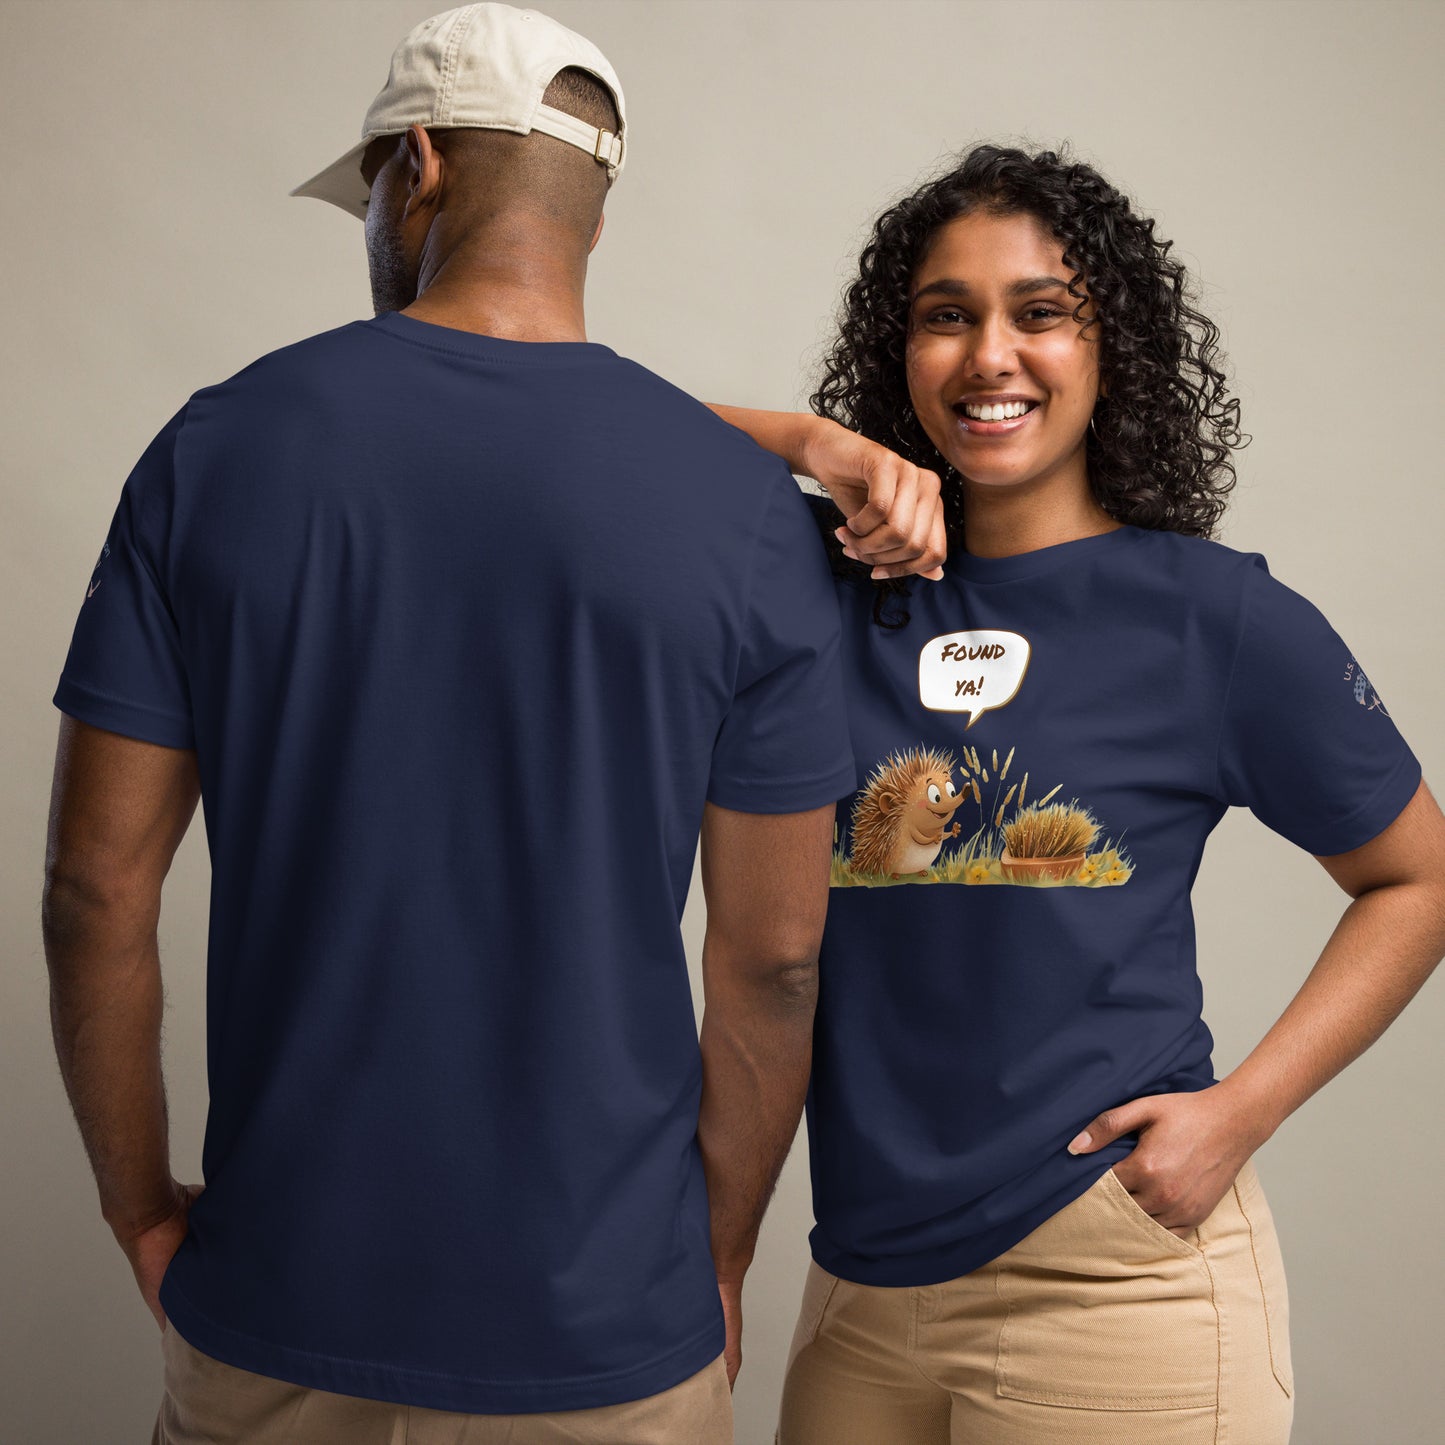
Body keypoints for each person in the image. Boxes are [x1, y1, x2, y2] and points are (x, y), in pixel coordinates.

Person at [41, 5, 855, 1442]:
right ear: (596, 209)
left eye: (365, 190)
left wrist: (139, 1210)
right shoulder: (743, 519)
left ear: (413, 169)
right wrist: (713, 1263)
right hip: (607, 1335)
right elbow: (773, 961)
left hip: (277, 1301)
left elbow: (93, 889)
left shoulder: (215, 451)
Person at [709, 143, 1445, 1443]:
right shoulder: (819, 591)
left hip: (1110, 1281)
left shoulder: (1212, 619)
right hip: (860, 1284)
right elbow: (591, 435)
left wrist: (1243, 1108)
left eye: (1039, 312)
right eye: (947, 316)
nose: (990, 354)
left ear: (1112, 349)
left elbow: (1418, 876)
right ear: (901, 350)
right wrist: (817, 444)